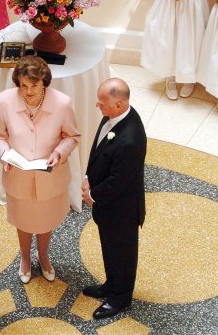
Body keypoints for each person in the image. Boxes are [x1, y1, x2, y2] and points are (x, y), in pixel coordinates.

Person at [0, 56, 80, 284]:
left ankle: (44, 257)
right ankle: (25, 258)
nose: (28, 91)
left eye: (34, 85)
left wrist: (59, 152)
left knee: (45, 221)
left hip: (50, 177)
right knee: (23, 221)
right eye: (23, 85)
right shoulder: (4, 101)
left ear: (44, 82)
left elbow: (72, 136)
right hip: (18, 175)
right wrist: (3, 153)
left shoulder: (62, 104)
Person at [81, 78, 147, 320]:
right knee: (110, 248)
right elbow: (99, 152)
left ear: (119, 104)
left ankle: (121, 297)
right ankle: (111, 284)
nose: (98, 107)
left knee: (123, 253)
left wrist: (92, 195)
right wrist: (89, 176)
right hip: (108, 206)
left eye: (102, 104)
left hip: (122, 210)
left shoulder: (130, 139)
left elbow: (119, 180)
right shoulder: (113, 116)